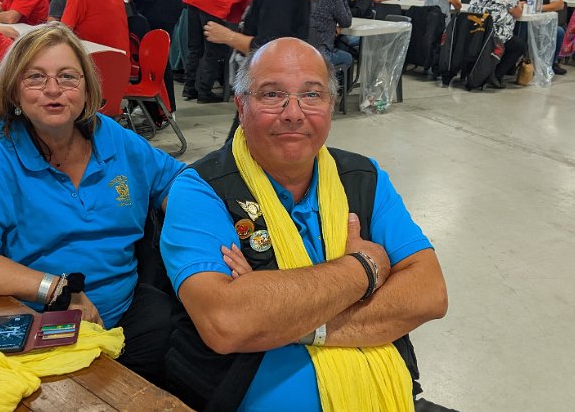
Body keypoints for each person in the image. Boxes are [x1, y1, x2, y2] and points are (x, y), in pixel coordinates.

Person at [159, 36, 448, 411]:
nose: (293, 113)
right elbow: (227, 321)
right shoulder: (200, 190)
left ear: (330, 105)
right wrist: (365, 268)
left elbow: (429, 293)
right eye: (272, 94)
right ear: (241, 105)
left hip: (386, 392)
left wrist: (285, 321)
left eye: (312, 95)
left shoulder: (364, 177)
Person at [0, 22, 185, 386]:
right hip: (44, 324)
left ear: (87, 88)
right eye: (35, 77)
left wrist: (203, 239)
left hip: (130, 312)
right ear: (14, 90)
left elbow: (178, 181)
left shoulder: (111, 136)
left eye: (68, 77)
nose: (53, 90)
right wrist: (57, 289)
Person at [181, 0, 262, 102]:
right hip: (214, 5)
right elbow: (258, 0)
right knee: (213, 50)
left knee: (195, 48)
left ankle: (189, 88)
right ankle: (204, 92)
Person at [467, 0, 526, 88]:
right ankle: (496, 75)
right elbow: (517, 13)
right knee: (519, 46)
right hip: (496, 35)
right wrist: (519, 5)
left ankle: (488, 70)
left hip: (477, 31)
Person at [508, 0, 567, 75]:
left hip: (542, 22)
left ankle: (551, 64)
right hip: (520, 22)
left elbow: (560, 4)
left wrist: (538, 7)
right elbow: (507, 3)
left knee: (559, 32)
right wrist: (519, 5)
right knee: (523, 29)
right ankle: (515, 63)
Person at [308, 0, 353, 71]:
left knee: (342, 43)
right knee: (348, 58)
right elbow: (346, 22)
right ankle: (335, 81)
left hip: (306, 47)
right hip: (322, 51)